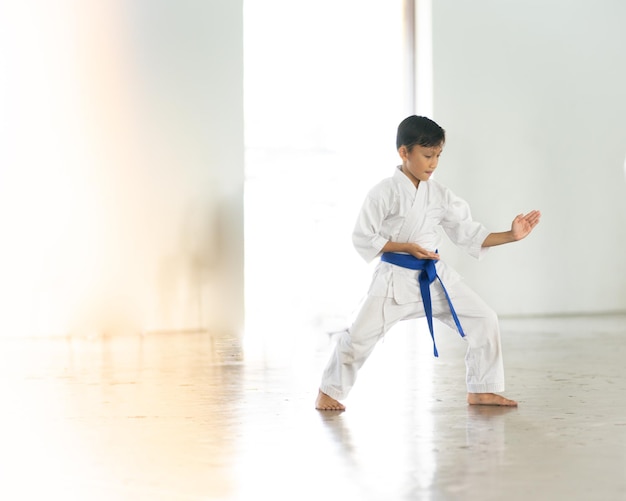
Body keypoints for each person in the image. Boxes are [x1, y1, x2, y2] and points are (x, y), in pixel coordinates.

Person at [315, 115, 541, 411]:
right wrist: (406, 246)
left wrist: (511, 235)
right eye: (427, 155)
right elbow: (363, 237)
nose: (433, 163)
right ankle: (328, 392)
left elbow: (468, 234)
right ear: (404, 153)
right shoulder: (384, 192)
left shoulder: (440, 195)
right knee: (357, 337)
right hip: (394, 280)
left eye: (438, 155)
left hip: (434, 279)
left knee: (484, 318)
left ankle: (482, 389)